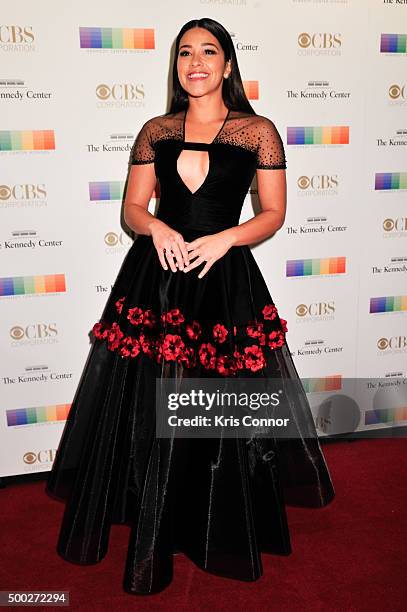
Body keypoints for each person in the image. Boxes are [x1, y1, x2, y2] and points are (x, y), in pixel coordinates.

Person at [45, 17, 335, 596]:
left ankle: (214, 513)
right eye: (184, 53)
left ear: (228, 64)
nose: (195, 62)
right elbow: (132, 206)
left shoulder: (257, 131)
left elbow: (273, 212)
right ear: (175, 66)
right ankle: (149, 502)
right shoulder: (156, 129)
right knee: (148, 396)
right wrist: (155, 228)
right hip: (158, 278)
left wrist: (228, 237)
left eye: (208, 52)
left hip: (223, 281)